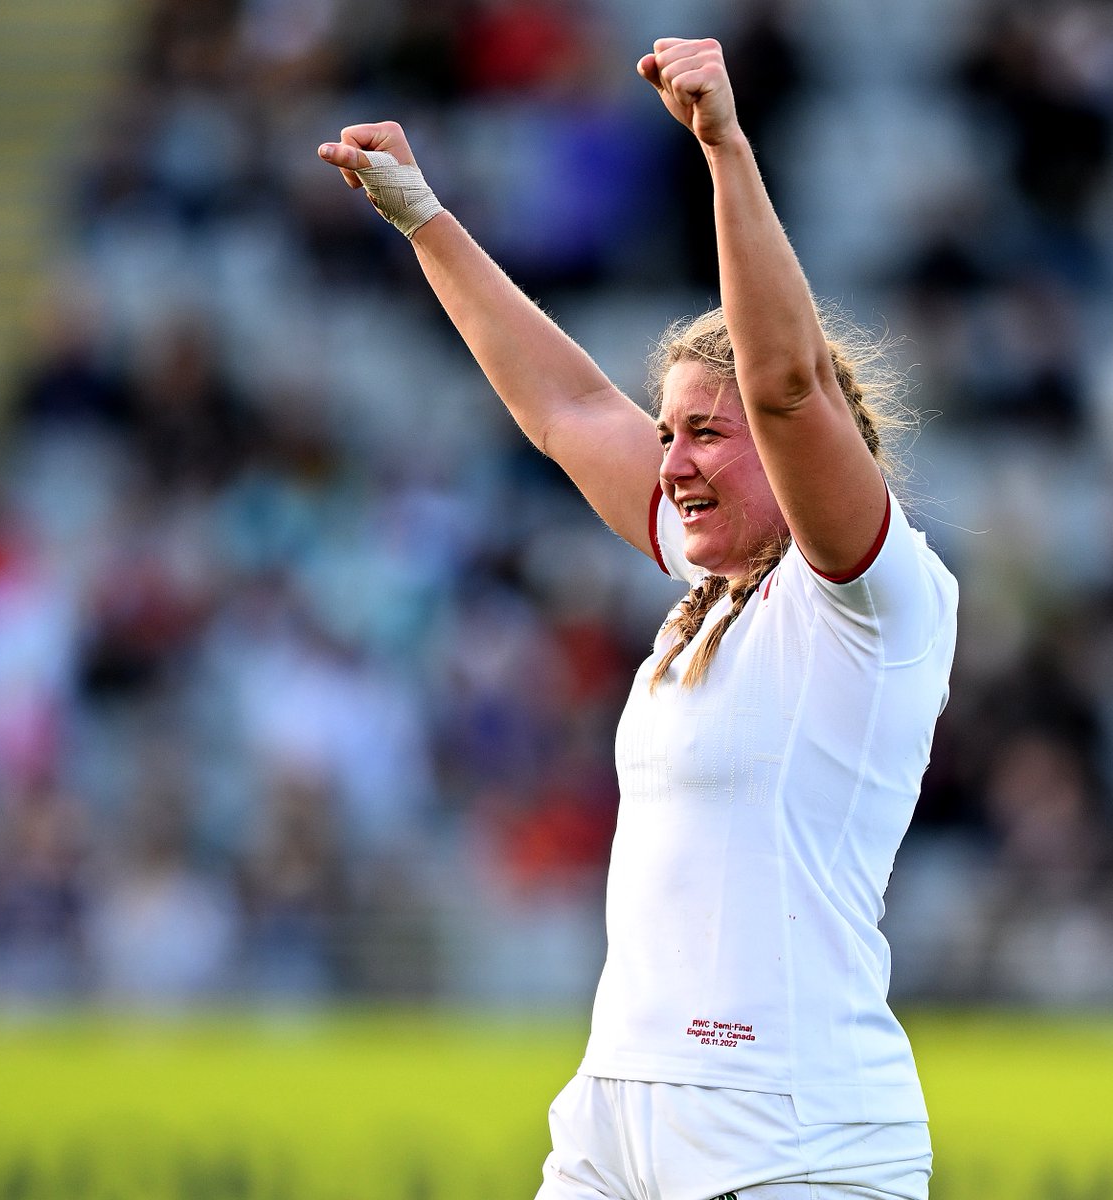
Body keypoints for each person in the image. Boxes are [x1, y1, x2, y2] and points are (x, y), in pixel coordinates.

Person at [318, 35, 957, 1200]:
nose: (672, 463)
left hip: (796, 1133)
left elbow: (786, 383)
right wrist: (424, 219)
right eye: (668, 434)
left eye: (705, 434)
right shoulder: (708, 590)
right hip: (617, 1112)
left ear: (802, 453)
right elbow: (565, 407)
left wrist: (723, 149)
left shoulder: (873, 596)